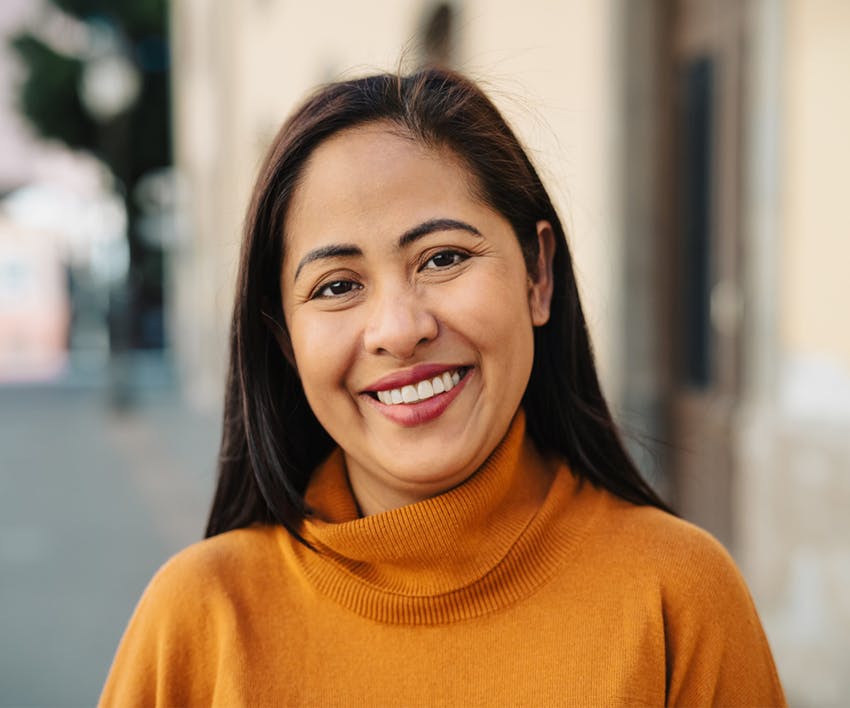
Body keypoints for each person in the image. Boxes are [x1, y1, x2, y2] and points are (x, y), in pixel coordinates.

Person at [100, 68, 785, 706]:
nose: (398, 329)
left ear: (537, 275)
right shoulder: (197, 620)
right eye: (337, 286)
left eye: (444, 258)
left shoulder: (678, 595)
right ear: (285, 340)